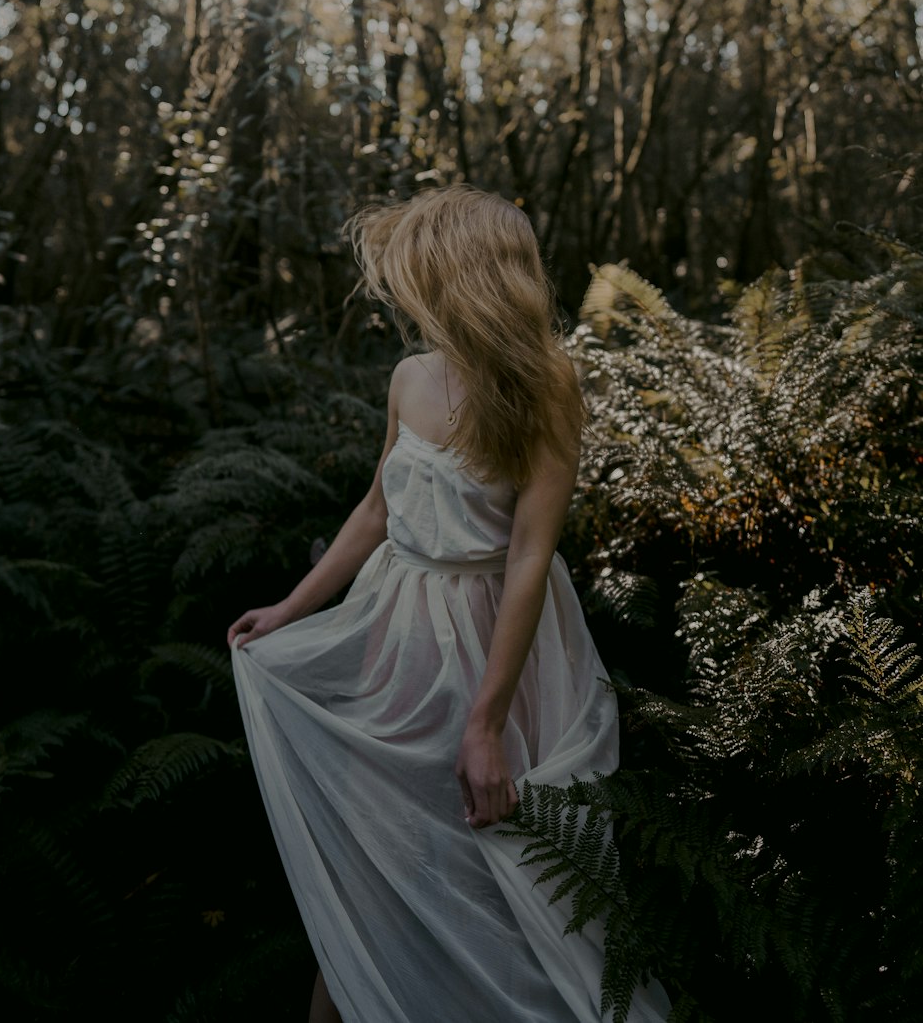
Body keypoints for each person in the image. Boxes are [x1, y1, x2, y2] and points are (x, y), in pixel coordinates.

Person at [228, 186, 669, 1023]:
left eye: (424, 273)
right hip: (398, 629)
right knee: (378, 848)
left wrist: (485, 722)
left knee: (500, 861)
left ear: (466, 277)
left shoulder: (547, 387)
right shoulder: (409, 377)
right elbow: (375, 510)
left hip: (499, 640)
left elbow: (531, 554)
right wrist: (290, 610)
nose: (409, 292)